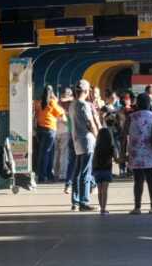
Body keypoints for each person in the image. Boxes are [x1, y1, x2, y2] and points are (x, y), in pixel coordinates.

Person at [127, 93, 152, 214]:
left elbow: (125, 134)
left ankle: (137, 207)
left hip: (136, 152)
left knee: (138, 181)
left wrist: (122, 152)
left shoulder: (132, 117)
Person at [69, 80, 98, 211]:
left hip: (76, 141)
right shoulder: (84, 105)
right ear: (86, 92)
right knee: (86, 172)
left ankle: (75, 201)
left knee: (77, 172)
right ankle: (84, 202)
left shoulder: (72, 105)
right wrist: (98, 137)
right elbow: (91, 123)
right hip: (87, 140)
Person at [37, 86, 64, 183]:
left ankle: (45, 174)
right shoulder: (52, 102)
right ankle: (44, 175)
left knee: (44, 153)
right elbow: (60, 113)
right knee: (48, 153)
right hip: (50, 130)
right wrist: (56, 101)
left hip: (40, 129)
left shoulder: (39, 102)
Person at [92, 125, 118, 215]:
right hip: (106, 170)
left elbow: (93, 159)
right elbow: (117, 159)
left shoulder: (96, 147)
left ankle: (101, 208)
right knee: (105, 191)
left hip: (97, 170)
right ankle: (103, 208)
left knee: (99, 190)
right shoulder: (111, 147)